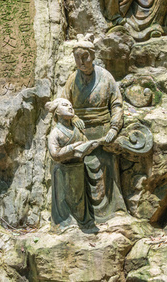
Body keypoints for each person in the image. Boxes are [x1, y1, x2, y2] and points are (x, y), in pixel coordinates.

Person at [62, 34, 128, 221]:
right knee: (79, 171)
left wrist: (114, 129)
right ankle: (83, 216)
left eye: (85, 57)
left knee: (106, 170)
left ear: (93, 56)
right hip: (80, 135)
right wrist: (72, 118)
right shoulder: (72, 79)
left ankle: (112, 213)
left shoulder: (106, 77)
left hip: (103, 133)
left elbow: (116, 104)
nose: (81, 62)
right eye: (77, 58)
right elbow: (63, 103)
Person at [47, 98, 100, 229]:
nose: (70, 107)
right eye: (65, 105)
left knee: (79, 200)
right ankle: (64, 223)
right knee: (63, 200)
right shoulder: (56, 132)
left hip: (78, 169)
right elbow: (55, 154)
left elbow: (85, 142)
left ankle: (83, 222)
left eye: (71, 105)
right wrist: (72, 148)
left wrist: (90, 146)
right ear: (57, 112)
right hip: (63, 171)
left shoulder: (76, 129)